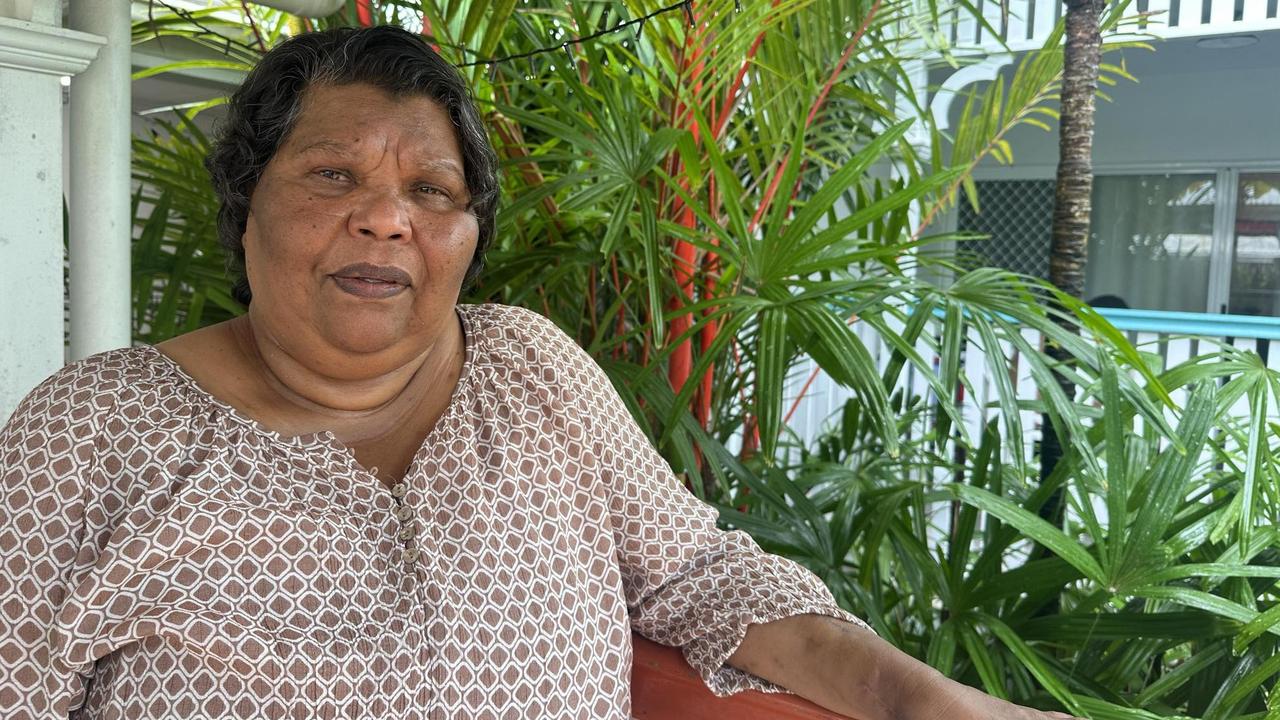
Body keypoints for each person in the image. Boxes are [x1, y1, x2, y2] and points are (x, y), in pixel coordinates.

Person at [0, 26, 1079, 720]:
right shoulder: (94, 432)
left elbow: (696, 576)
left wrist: (914, 700)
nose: (385, 215)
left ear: (469, 233)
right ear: (247, 205)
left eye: (432, 190)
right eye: (333, 174)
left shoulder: (527, 365)